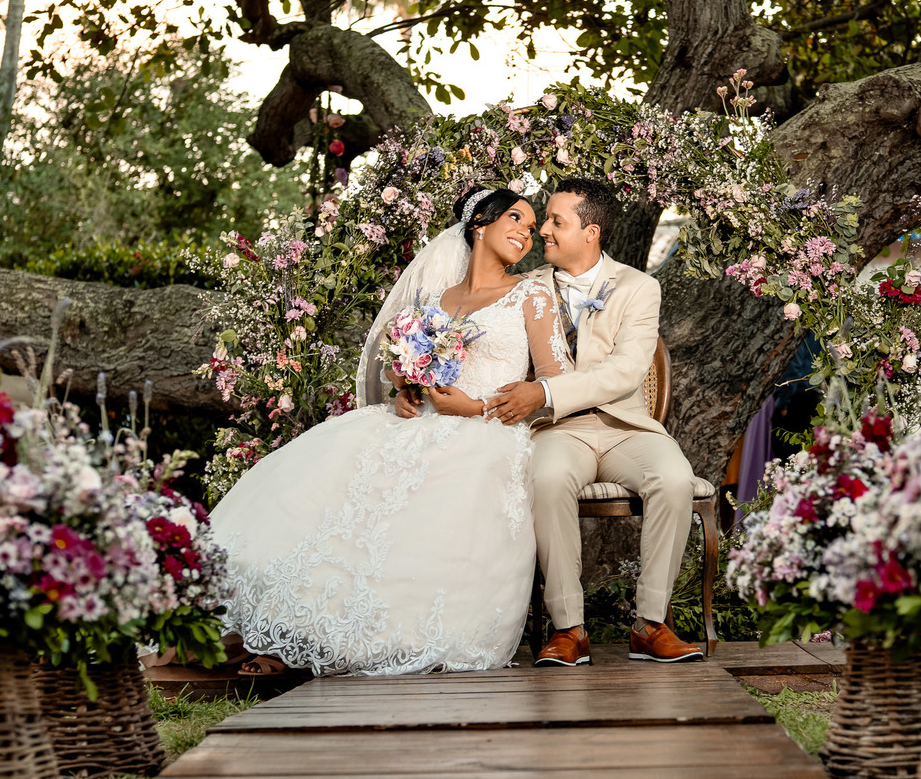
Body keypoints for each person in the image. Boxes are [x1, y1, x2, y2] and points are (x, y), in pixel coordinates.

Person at [211, 187, 567, 676]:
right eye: (515, 218)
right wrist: (407, 390)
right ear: (479, 224)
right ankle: (298, 631)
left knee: (428, 496)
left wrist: (479, 405)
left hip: (487, 431)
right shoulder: (433, 298)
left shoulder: (532, 293)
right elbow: (408, 367)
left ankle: (361, 643)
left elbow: (557, 382)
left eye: (531, 227)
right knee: (341, 486)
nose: (526, 232)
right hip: (418, 423)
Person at [485, 177, 703, 666]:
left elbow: (627, 371)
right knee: (545, 477)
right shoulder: (526, 287)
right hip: (558, 430)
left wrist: (544, 391)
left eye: (556, 222)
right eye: (546, 219)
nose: (543, 230)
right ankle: (569, 629)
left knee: (674, 479)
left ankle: (650, 625)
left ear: (592, 232)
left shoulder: (639, 288)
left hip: (626, 427)